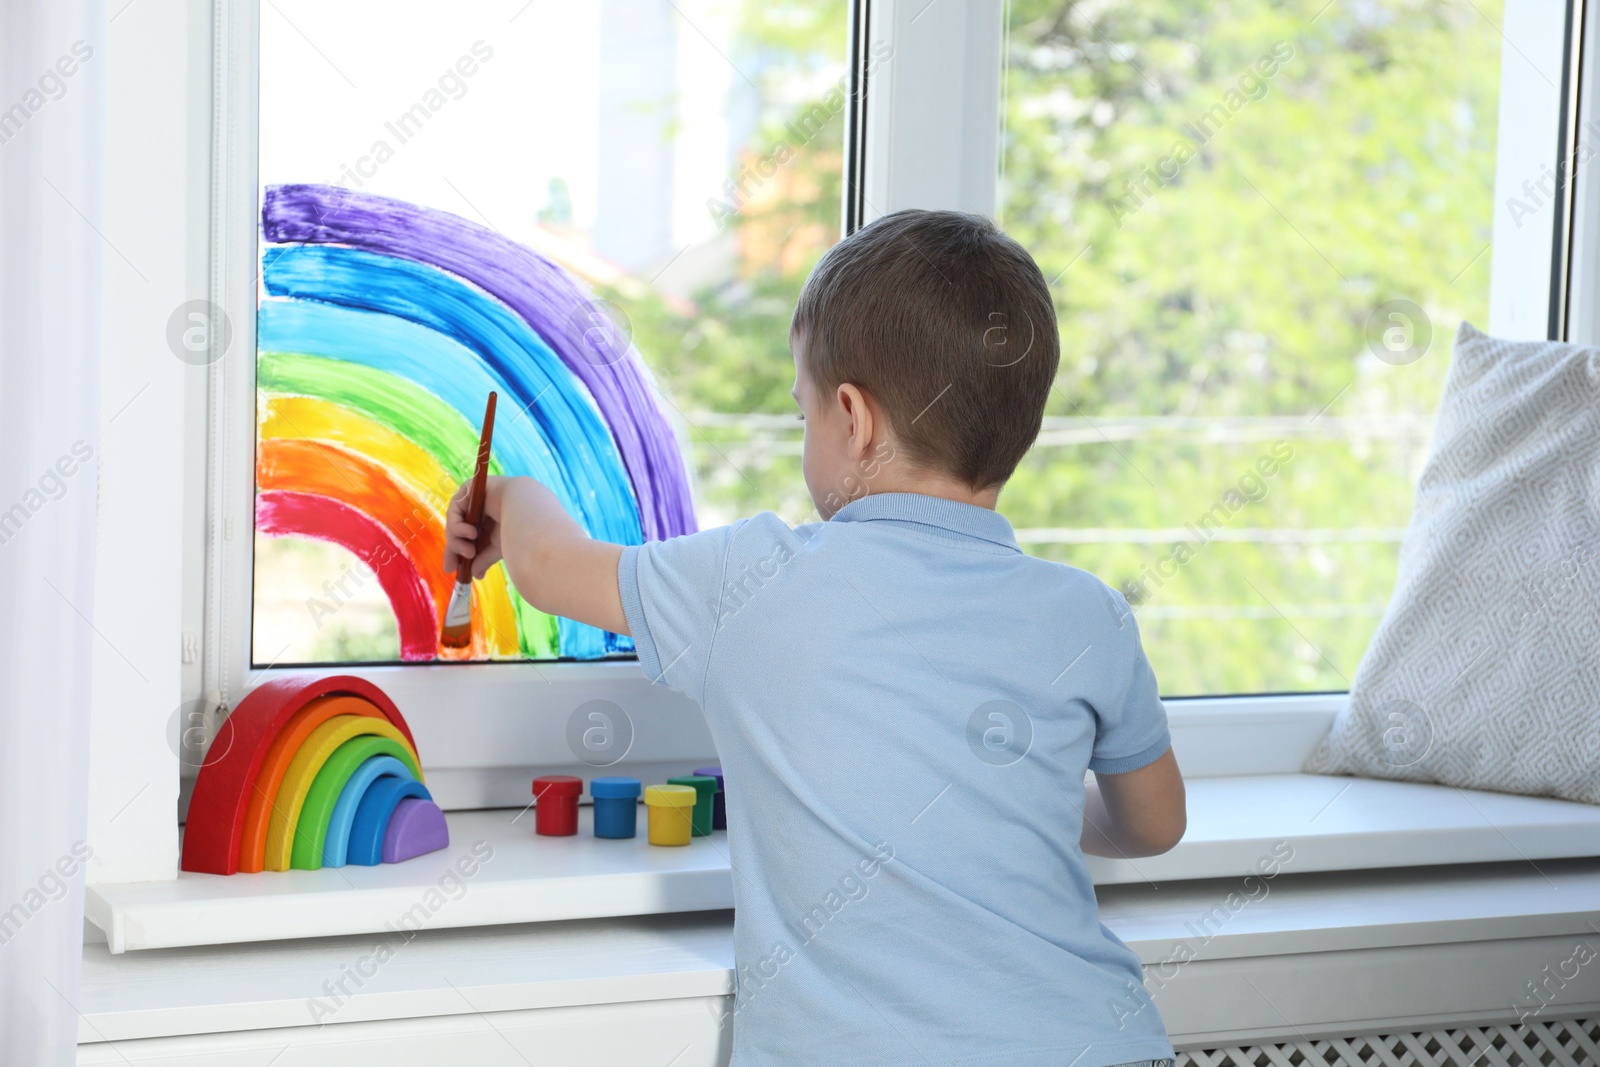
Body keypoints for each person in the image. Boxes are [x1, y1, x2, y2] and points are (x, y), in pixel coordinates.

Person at [445, 209, 1187, 1067]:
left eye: (802, 414)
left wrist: (506, 495)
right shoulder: (1086, 614)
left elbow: (548, 566)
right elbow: (1154, 822)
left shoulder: (751, 581)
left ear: (852, 418)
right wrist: (1032, 801)